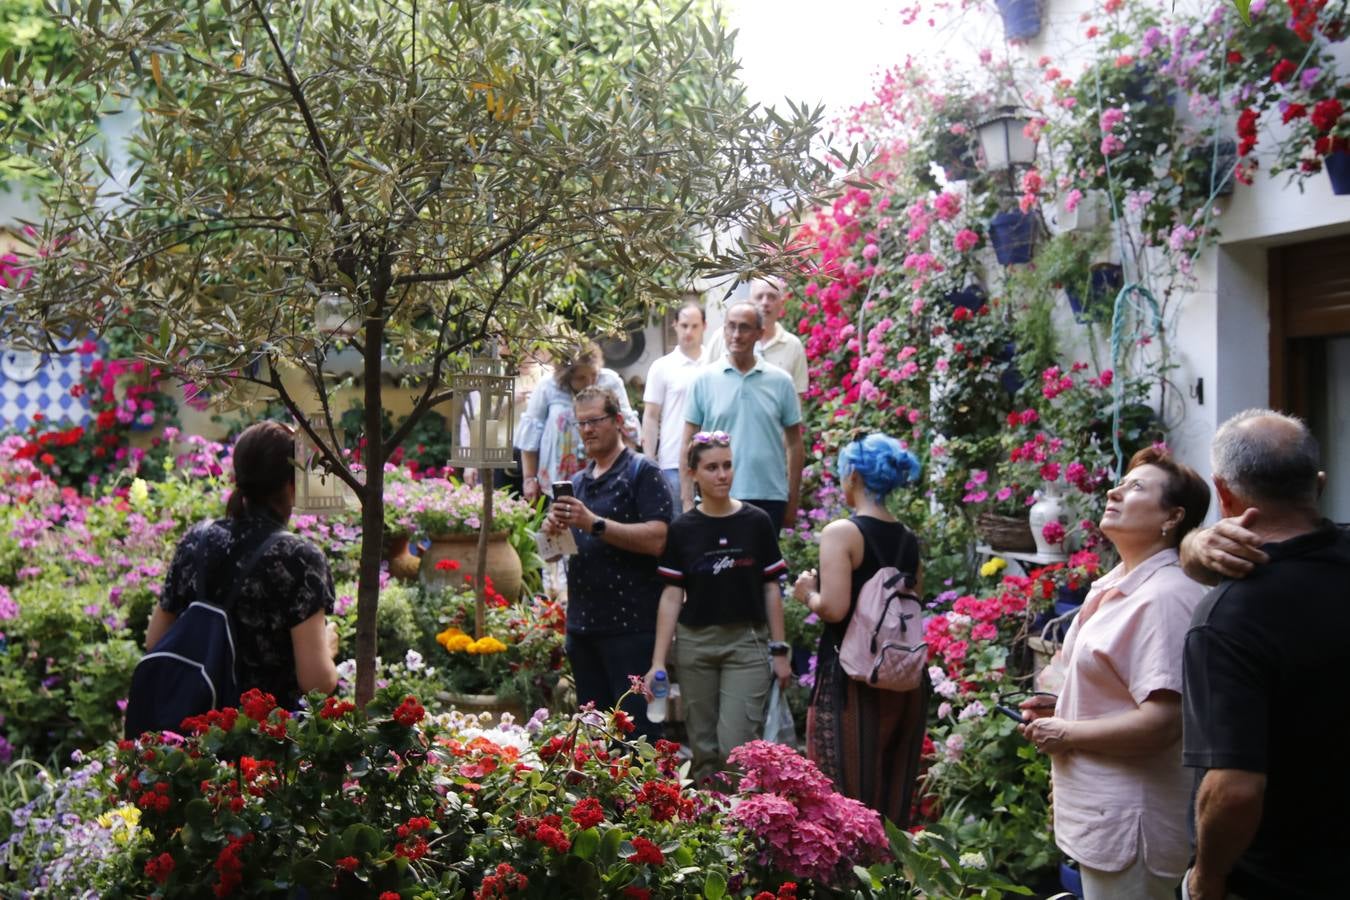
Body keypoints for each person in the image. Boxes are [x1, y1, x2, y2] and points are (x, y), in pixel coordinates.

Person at [1017, 447, 1211, 900]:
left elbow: (1162, 722)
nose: (1114, 490)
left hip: (1135, 823)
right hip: (1107, 816)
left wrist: (1066, 732)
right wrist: (1063, 705)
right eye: (1122, 482)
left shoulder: (1164, 597)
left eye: (1136, 487)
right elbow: (1119, 688)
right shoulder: (1117, 584)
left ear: (1172, 517)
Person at [1178, 409, 1348, 900]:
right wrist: (1193, 547)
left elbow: (1234, 789)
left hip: (1280, 878)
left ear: (1223, 493)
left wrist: (1205, 881)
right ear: (1318, 484)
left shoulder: (1229, 617)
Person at [144, 421, 339, 711]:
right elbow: (316, 683)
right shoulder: (300, 558)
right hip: (265, 740)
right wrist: (328, 646)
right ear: (293, 483)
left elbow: (155, 643)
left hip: (197, 731)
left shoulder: (199, 540)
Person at [790, 433, 927, 825]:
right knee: (890, 793)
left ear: (852, 475)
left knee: (845, 799)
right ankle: (891, 879)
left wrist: (807, 594)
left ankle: (850, 883)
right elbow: (912, 603)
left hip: (852, 680)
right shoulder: (908, 539)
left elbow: (834, 609)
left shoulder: (842, 533)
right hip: (903, 678)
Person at [646, 431, 791, 783]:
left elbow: (771, 587)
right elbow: (670, 595)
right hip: (695, 644)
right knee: (704, 749)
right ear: (693, 473)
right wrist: (657, 662)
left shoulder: (756, 522)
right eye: (712, 467)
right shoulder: (683, 529)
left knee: (736, 748)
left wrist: (780, 648)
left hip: (747, 643)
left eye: (727, 465)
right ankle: (715, 830)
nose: (722, 474)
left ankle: (745, 824)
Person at [541, 386, 672, 738]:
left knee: (637, 736)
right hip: (583, 628)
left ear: (617, 421)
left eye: (595, 421)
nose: (587, 430)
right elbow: (553, 553)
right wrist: (551, 530)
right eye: (581, 423)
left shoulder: (642, 471)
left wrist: (594, 524)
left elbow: (659, 539)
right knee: (595, 739)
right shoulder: (579, 483)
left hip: (631, 627)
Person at [682, 301, 803, 532]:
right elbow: (688, 441)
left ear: (760, 333)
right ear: (724, 330)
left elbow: (795, 444)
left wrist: (792, 500)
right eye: (731, 327)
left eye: (745, 327)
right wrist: (687, 499)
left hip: (769, 497)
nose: (736, 335)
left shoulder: (781, 382)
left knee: (761, 568)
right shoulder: (703, 380)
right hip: (714, 497)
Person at [517, 342, 638, 503]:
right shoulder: (548, 386)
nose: (590, 381)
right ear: (567, 376)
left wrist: (626, 471)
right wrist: (529, 479)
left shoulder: (610, 381)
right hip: (558, 483)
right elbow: (531, 435)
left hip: (606, 481)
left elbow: (628, 429)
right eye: (581, 377)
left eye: (594, 374)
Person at [643, 300, 707, 501]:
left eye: (694, 326)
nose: (689, 331)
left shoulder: (716, 363)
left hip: (713, 459)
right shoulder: (662, 366)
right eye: (684, 325)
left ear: (704, 326)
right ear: (675, 325)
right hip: (672, 462)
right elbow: (651, 416)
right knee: (678, 527)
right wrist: (649, 461)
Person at [705, 277, 809, 395]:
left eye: (772, 297)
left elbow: (797, 397)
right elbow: (705, 384)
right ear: (749, 301)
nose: (765, 302)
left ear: (782, 303)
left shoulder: (793, 345)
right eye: (759, 297)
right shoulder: (723, 337)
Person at [495, 348, 553, 495]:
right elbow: (484, 418)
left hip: (539, 454)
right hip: (504, 456)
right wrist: (509, 401)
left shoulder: (549, 377)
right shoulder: (501, 377)